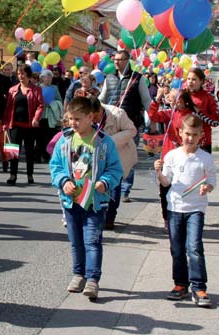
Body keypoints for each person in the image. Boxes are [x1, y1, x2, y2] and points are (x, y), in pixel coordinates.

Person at [50, 96, 123, 300]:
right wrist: (64, 181)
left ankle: (92, 279)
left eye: (78, 119)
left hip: (95, 203)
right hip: (71, 201)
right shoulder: (64, 141)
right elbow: (55, 166)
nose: (73, 123)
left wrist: (105, 182)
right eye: (71, 119)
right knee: (76, 242)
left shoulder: (104, 142)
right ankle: (78, 274)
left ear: (91, 117)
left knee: (92, 241)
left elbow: (115, 169)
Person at [154, 115, 216, 307]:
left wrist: (207, 187)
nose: (190, 138)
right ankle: (180, 284)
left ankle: (199, 287)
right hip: (175, 208)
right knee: (177, 249)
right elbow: (167, 182)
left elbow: (212, 180)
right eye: (187, 134)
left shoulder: (205, 158)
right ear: (180, 133)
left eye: (195, 135)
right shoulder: (172, 155)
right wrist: (159, 173)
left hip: (196, 209)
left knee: (194, 247)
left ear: (201, 136)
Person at [99, 50, 151, 202]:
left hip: (130, 124)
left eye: (121, 59)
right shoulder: (109, 78)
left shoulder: (137, 79)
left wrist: (153, 119)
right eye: (115, 59)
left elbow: (146, 100)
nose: (117, 62)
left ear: (128, 60)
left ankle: (125, 189)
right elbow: (102, 98)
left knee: (128, 156)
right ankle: (110, 185)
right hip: (110, 124)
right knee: (109, 155)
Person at [89, 97, 138, 230]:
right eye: (90, 117)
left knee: (115, 187)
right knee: (99, 186)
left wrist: (110, 141)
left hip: (118, 155)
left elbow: (132, 131)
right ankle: (100, 215)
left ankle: (110, 217)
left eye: (95, 116)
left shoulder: (117, 114)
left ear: (100, 109)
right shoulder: (87, 116)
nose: (93, 120)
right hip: (97, 157)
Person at [2, 64, 44, 185]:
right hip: (14, 125)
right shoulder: (13, 89)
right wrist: (5, 123)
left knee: (30, 151)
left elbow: (40, 105)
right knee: (13, 151)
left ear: (28, 75)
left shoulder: (36, 90)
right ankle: (12, 175)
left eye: (23, 74)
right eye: (19, 74)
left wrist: (36, 118)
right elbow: (7, 108)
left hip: (30, 126)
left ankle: (30, 175)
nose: (21, 76)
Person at [185, 67, 219, 153]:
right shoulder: (181, 96)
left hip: (203, 143)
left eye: (194, 79)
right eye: (188, 79)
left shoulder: (209, 97)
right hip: (184, 142)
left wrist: (200, 113)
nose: (190, 81)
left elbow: (216, 122)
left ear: (201, 81)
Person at [36, 70, 63, 164]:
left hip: (51, 116)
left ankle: (47, 156)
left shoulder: (54, 88)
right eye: (47, 77)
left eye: (51, 77)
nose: (49, 79)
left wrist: (52, 102)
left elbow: (59, 100)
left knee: (50, 137)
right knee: (39, 137)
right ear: (42, 78)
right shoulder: (38, 87)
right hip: (40, 116)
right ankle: (38, 156)